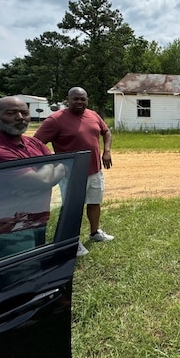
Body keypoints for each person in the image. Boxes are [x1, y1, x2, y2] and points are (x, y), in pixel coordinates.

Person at [0, 96, 66, 263]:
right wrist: (47, 171)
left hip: (34, 222)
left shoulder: (32, 142)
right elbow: (44, 180)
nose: (20, 117)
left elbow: (61, 165)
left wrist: (46, 172)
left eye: (24, 113)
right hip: (5, 232)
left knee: (35, 274)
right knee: (13, 281)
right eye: (11, 113)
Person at [34, 87, 114, 256]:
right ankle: (73, 241)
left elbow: (106, 132)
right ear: (67, 100)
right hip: (71, 175)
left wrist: (106, 151)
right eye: (75, 99)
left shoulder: (93, 115)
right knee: (73, 209)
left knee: (94, 202)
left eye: (82, 99)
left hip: (95, 170)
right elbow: (36, 144)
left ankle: (94, 233)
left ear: (87, 100)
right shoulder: (55, 120)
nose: (79, 102)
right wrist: (54, 162)